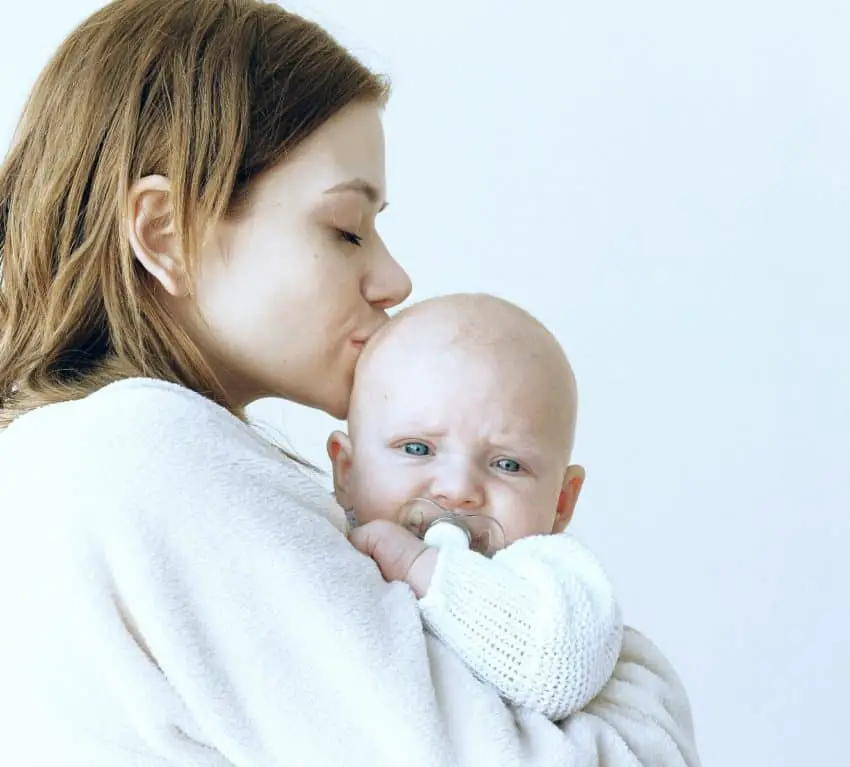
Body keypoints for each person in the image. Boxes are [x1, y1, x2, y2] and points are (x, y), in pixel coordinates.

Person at [0, 1, 701, 765]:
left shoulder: (63, 458)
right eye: (344, 229)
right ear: (167, 232)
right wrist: (629, 672)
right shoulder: (146, 454)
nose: (394, 278)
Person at [329, 292, 623, 722]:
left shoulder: (554, 579)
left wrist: (420, 569)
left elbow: (560, 669)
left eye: (507, 464)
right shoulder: (321, 545)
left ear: (562, 502)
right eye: (417, 448)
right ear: (347, 472)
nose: (458, 490)